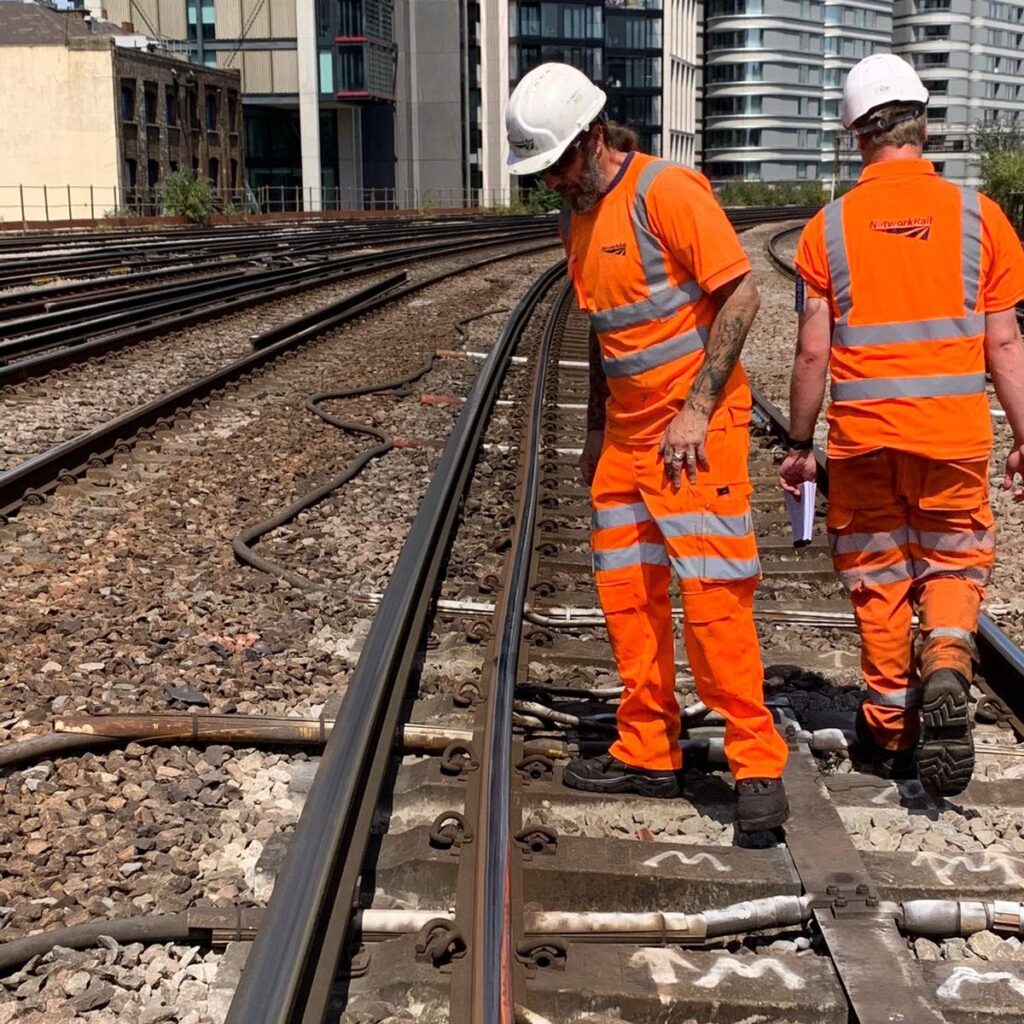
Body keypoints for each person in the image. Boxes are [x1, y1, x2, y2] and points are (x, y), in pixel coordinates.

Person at [505, 63, 790, 831]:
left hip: (695, 434)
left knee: (713, 604)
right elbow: (606, 338)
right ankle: (648, 748)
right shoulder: (574, 219)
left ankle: (756, 765)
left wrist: (697, 409)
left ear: (594, 138)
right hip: (630, 441)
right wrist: (598, 440)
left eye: (558, 165)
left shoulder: (666, 192)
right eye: (542, 174)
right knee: (628, 599)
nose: (554, 183)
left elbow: (742, 293)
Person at [780, 53, 1024, 796]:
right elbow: (1005, 342)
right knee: (953, 565)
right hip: (951, 439)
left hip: (863, 444)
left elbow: (813, 349)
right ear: (924, 124)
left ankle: (889, 732)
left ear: (857, 135)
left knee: (880, 580)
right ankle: (948, 658)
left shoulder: (829, 230)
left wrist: (798, 445)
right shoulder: (982, 219)